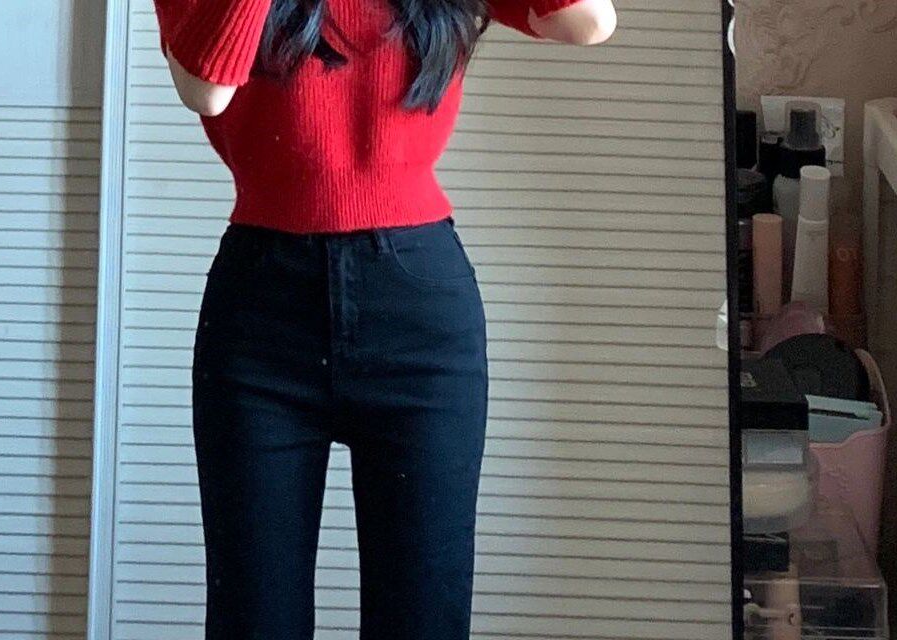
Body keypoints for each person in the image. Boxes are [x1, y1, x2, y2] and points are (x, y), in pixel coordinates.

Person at [153, 0, 616, 637]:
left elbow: (590, 22)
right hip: (263, 314)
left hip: (419, 315)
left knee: (424, 614)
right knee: (252, 615)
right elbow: (205, 90)